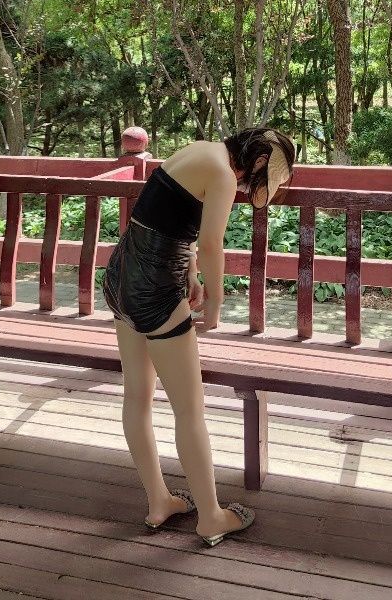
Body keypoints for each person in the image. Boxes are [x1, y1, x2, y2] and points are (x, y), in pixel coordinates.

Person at [102, 126, 295, 546]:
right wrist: (217, 300)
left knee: (137, 396)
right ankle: (210, 517)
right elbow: (210, 244)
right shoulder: (223, 174)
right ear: (259, 161)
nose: (250, 187)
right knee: (189, 410)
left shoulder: (199, 150)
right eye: (262, 179)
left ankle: (159, 501)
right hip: (156, 289)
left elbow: (172, 219)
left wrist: (189, 273)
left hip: (120, 276)